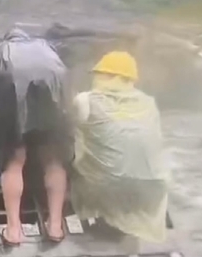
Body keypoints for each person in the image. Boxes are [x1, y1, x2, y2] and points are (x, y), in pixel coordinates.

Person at [0, 29, 72, 246]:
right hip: (54, 86)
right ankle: (55, 226)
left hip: (12, 91)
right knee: (53, 159)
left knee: (14, 161)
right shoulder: (47, 48)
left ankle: (14, 230)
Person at [69, 51, 169, 243]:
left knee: (74, 154)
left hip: (107, 185)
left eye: (100, 74)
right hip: (154, 186)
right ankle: (126, 223)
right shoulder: (149, 103)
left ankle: (99, 219)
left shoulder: (85, 100)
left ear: (107, 76)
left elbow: (70, 127)